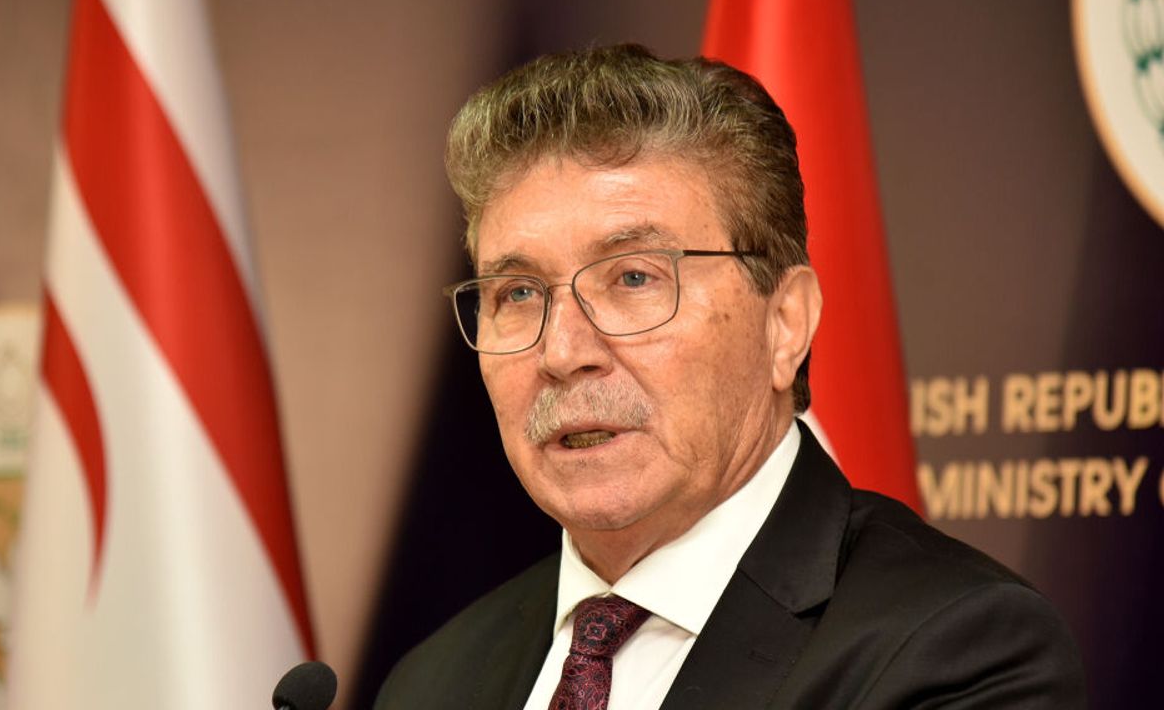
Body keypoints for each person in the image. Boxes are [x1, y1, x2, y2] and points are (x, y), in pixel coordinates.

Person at [375, 44, 1085, 709]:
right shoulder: (431, 684)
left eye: (634, 278)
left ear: (785, 323)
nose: (562, 352)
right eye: (519, 293)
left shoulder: (957, 651)